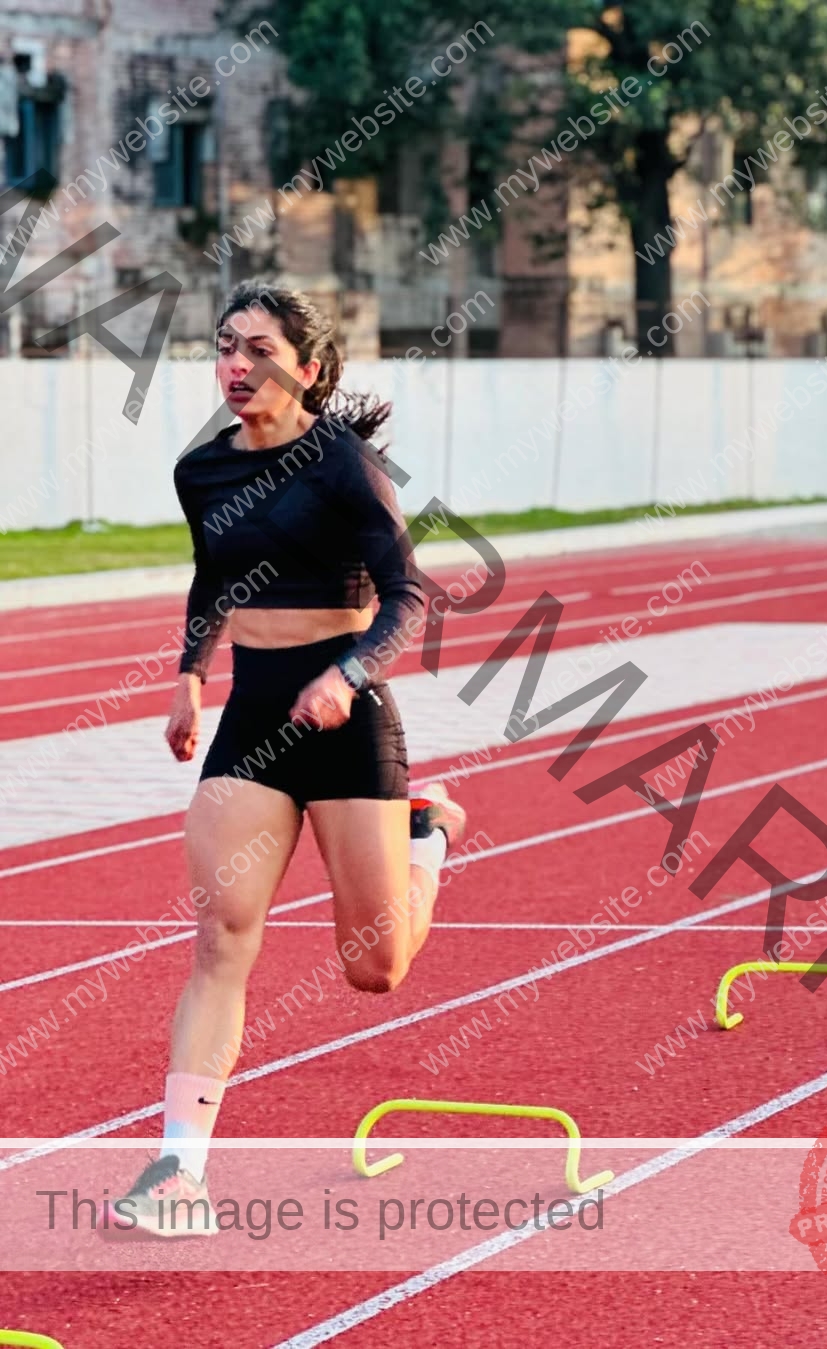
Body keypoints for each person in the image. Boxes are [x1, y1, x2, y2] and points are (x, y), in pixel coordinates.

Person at [107, 280, 465, 1238]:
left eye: (258, 348)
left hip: (347, 720)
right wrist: (190, 672)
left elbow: (408, 597)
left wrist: (349, 672)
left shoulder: (345, 466)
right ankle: (180, 1170)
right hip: (256, 715)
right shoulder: (203, 472)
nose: (236, 365)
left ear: (306, 369)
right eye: (224, 345)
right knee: (223, 934)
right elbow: (213, 575)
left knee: (373, 966)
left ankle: (426, 836)